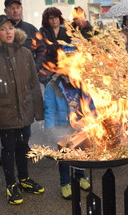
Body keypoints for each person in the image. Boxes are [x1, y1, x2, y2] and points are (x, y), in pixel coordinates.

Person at [0, 15, 44, 204]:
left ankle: (24, 179)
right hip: (5, 112)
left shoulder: (24, 53)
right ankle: (11, 184)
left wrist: (37, 110)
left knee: (23, 147)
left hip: (24, 110)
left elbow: (34, 83)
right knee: (8, 149)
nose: (8, 32)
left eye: (10, 28)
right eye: (3, 29)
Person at [44, 71, 91, 200]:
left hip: (79, 125)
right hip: (61, 127)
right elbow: (50, 110)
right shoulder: (53, 86)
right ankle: (65, 182)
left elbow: (90, 103)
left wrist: (92, 121)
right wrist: (50, 130)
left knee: (80, 153)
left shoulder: (81, 83)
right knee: (64, 157)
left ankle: (80, 176)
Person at [0, 0, 45, 71]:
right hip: (4, 75)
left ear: (21, 9)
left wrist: (35, 67)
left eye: (18, 7)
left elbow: (42, 49)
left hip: (28, 75)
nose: (15, 11)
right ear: (5, 11)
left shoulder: (31, 29)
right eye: (12, 8)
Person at [39, 7, 71, 85]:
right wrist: (60, 46)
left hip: (64, 66)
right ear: (47, 20)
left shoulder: (66, 31)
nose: (54, 20)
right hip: (48, 67)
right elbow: (45, 47)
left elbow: (70, 47)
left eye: (56, 17)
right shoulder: (43, 31)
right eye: (51, 18)